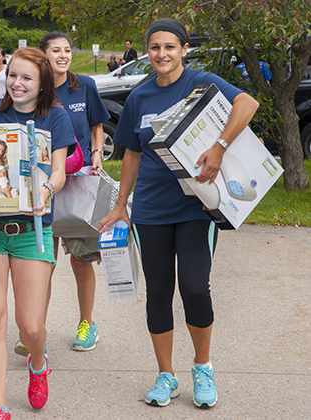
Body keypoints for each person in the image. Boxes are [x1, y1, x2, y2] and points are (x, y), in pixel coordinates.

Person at [98, 18, 259, 409]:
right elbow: (131, 154)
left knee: (193, 286)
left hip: (196, 206)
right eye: (155, 47)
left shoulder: (202, 83)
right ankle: (165, 375)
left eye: (170, 47)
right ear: (147, 51)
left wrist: (220, 146)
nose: (162, 54)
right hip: (151, 209)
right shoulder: (139, 97)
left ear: (184, 50)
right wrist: (121, 206)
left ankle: (202, 365)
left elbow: (248, 103)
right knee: (158, 294)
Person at [0, 47, 77, 420]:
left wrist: (46, 191)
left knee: (30, 326)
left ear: (42, 82)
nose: (17, 83)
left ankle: (38, 361)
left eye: (26, 77)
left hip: (33, 229)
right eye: (12, 75)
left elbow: (59, 171)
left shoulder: (56, 117)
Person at [37, 30, 110, 352]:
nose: (63, 55)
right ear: (44, 56)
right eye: (56, 50)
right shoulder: (36, 90)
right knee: (41, 263)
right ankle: (35, 327)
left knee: (81, 260)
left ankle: (87, 324)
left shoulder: (85, 87)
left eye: (67, 50)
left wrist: (96, 154)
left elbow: (97, 125)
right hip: (43, 187)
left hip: (78, 182)